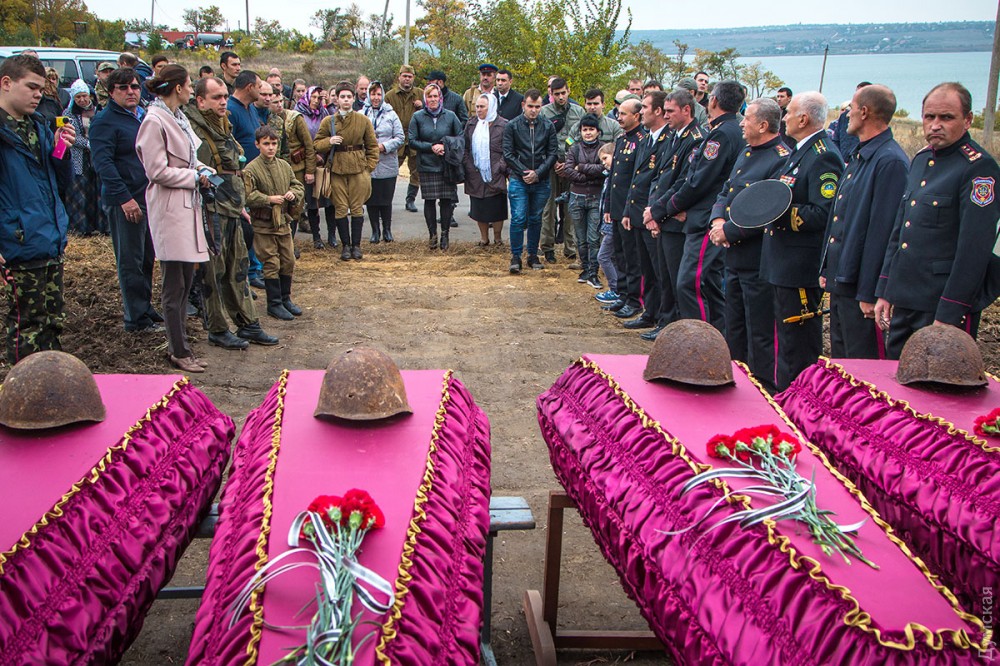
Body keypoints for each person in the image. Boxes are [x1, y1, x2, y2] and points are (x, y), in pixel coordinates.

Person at [875, 82, 1000, 357]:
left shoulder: (979, 169)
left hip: (940, 305)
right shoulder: (921, 160)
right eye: (929, 117)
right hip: (905, 298)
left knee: (936, 379)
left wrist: (950, 311)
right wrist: (885, 289)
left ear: (968, 120)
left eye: (946, 117)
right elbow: (900, 231)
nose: (935, 125)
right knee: (895, 375)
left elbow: (974, 250)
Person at [186, 74, 278, 350]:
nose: (223, 101)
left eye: (225, 96)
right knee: (214, 273)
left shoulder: (223, 124)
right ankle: (217, 328)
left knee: (238, 266)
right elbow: (201, 172)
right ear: (201, 101)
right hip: (211, 208)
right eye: (216, 97)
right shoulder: (195, 129)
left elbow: (233, 167)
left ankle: (248, 323)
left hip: (231, 205)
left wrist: (239, 205)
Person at [760, 91, 844, 390]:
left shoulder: (823, 155)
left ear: (804, 119)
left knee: (799, 345)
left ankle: (799, 397)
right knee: (786, 340)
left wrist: (777, 213)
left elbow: (823, 213)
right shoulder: (801, 151)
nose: (784, 118)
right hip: (784, 262)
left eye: (789, 113)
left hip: (799, 266)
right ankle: (785, 393)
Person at [648, 80, 746, 335]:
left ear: (713, 100)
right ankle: (720, 338)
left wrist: (663, 209)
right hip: (703, 215)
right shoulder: (722, 130)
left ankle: (700, 341)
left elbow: (697, 182)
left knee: (689, 283)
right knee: (709, 284)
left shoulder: (722, 134)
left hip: (705, 218)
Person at [134, 64, 213, 373]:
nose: (192, 89)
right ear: (177, 87)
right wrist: (192, 177)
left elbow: (190, 158)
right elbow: (156, 171)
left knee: (186, 279)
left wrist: (202, 171)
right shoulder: (154, 121)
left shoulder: (178, 117)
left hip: (187, 207)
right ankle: (178, 350)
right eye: (189, 84)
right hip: (169, 209)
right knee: (174, 285)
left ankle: (182, 348)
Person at [821, 84, 908, 359]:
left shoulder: (890, 161)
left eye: (851, 108)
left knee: (864, 365)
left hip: (862, 290)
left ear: (865, 112)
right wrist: (828, 268)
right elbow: (841, 218)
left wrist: (870, 292)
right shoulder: (861, 155)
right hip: (843, 280)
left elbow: (883, 233)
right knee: (841, 362)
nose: (847, 114)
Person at [707, 98, 789, 390]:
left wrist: (730, 231)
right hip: (734, 257)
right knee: (735, 324)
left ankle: (762, 386)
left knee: (760, 329)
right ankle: (736, 378)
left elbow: (768, 211)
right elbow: (726, 192)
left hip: (757, 259)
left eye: (748, 119)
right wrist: (718, 220)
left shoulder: (780, 159)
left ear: (763, 125)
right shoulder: (746, 152)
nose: (742, 123)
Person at [0, 54, 76, 364]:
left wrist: (61, 150)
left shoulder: (39, 126)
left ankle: (52, 384)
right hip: (18, 242)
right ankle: (23, 389)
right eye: (31, 87)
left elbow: (60, 181)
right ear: (6, 83)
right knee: (27, 326)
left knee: (53, 322)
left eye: (41, 89)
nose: (38, 95)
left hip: (49, 236)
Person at [90, 66, 160, 334]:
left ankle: (145, 307)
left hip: (146, 196)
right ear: (111, 92)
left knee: (146, 257)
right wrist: (124, 199)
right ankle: (136, 319)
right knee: (130, 260)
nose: (131, 92)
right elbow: (103, 164)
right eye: (123, 88)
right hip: (126, 201)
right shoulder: (104, 121)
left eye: (135, 86)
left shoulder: (139, 116)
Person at [643, 89, 705, 340]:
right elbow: (659, 177)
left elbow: (684, 182)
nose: (665, 115)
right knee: (664, 275)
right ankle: (666, 322)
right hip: (663, 214)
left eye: (670, 111)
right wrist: (653, 211)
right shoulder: (673, 136)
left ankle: (676, 327)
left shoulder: (696, 139)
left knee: (677, 277)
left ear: (686, 110)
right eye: (665, 111)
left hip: (676, 218)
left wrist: (658, 211)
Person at [619, 91, 672, 332]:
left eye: (645, 108)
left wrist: (655, 213)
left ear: (657, 111)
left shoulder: (667, 140)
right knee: (646, 269)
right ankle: (650, 312)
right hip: (638, 212)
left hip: (653, 215)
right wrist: (628, 210)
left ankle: (663, 318)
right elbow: (635, 179)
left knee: (660, 270)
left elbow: (661, 181)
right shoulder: (646, 139)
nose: (641, 112)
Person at [244, 125, 304, 320]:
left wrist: (293, 194)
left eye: (274, 143)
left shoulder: (284, 166)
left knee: (288, 260)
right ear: (257, 145)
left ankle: (285, 298)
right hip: (263, 224)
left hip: (283, 223)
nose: (270, 148)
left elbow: (297, 185)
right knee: (271, 262)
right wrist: (267, 199)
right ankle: (274, 303)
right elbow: (247, 195)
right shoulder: (251, 169)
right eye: (266, 144)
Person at [315, 82, 379, 260]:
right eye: (342, 97)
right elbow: (317, 144)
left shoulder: (363, 120)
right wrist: (329, 141)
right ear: (336, 99)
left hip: (358, 169)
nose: (346, 100)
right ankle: (345, 246)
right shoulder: (329, 121)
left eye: (349, 97)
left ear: (353, 98)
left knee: (357, 208)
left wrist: (369, 168)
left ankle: (356, 246)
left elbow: (372, 146)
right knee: (341, 208)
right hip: (337, 169)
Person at [600, 99, 646, 316]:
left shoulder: (641, 140)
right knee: (619, 255)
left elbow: (636, 179)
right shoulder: (621, 140)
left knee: (631, 257)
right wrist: (608, 206)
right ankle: (623, 294)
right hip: (617, 208)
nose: (619, 117)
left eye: (624, 114)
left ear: (636, 116)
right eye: (618, 113)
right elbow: (614, 178)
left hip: (630, 209)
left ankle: (634, 300)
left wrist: (628, 209)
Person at [503, 88, 557, 273]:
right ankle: (516, 256)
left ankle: (533, 255)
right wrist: (525, 172)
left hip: (541, 180)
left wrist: (538, 173)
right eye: (530, 106)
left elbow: (552, 153)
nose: (534, 110)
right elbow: (508, 154)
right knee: (518, 218)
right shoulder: (512, 126)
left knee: (536, 218)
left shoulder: (548, 126)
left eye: (537, 107)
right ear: (523, 105)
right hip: (519, 179)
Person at [540, 77, 584, 263]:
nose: (560, 97)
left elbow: (581, 139)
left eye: (563, 93)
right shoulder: (544, 112)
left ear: (568, 92)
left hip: (571, 166)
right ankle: (547, 247)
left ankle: (570, 247)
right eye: (556, 94)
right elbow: (541, 140)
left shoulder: (578, 111)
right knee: (548, 209)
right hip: (551, 165)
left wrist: (569, 164)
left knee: (570, 208)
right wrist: (552, 163)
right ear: (551, 94)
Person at [565, 114, 606, 289]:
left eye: (591, 129)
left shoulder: (604, 148)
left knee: (594, 238)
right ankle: (585, 268)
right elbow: (568, 171)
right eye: (585, 130)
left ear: (598, 131)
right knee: (580, 238)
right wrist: (590, 175)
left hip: (596, 198)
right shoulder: (574, 149)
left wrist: (581, 168)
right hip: (576, 197)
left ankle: (593, 272)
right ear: (580, 131)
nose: (588, 133)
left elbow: (604, 169)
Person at [463, 93, 509, 247]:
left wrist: (500, 167)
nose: (479, 110)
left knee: (497, 208)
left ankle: (498, 239)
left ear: (491, 107)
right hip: (475, 174)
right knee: (479, 208)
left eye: (482, 107)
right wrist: (469, 165)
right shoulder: (471, 124)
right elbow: (465, 147)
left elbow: (508, 150)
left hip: (496, 174)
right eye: (477, 106)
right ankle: (484, 239)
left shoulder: (503, 125)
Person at [363, 80, 405, 243]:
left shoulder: (391, 114)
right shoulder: (361, 113)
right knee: (371, 199)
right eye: (373, 94)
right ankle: (375, 230)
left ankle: (387, 230)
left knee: (386, 199)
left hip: (387, 162)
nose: (376, 97)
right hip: (369, 164)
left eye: (379, 94)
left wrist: (384, 146)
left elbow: (400, 137)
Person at [63, 79, 105, 236]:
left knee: (97, 192)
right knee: (80, 193)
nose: (82, 100)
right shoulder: (68, 114)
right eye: (78, 97)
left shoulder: (98, 111)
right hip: (79, 157)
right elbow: (71, 136)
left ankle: (100, 226)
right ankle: (80, 227)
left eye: (84, 96)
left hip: (97, 156)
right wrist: (88, 144)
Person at [296, 85, 333, 248]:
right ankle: (316, 237)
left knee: (329, 200)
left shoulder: (324, 114)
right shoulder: (299, 114)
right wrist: (312, 154)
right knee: (312, 202)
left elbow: (331, 131)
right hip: (307, 161)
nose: (316, 101)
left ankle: (332, 235)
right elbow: (299, 140)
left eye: (319, 98)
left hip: (325, 160)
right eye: (314, 97)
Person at [385, 65, 423, 212]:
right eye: (404, 76)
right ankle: (386, 201)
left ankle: (410, 200)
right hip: (396, 139)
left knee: (416, 171)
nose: (407, 79)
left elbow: (431, 111)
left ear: (413, 78)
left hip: (415, 139)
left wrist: (422, 106)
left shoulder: (420, 94)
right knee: (391, 171)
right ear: (399, 77)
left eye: (410, 76)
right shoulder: (390, 96)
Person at [594, 142, 619, 302]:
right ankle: (618, 289)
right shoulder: (608, 176)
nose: (603, 163)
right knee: (613, 257)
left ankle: (615, 288)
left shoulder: (616, 177)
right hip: (607, 224)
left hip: (613, 225)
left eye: (605, 158)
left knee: (603, 256)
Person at [829, 81, 871, 164]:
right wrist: (839, 160)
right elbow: (835, 140)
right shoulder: (844, 117)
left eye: (861, 95)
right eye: (856, 93)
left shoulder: (872, 121)